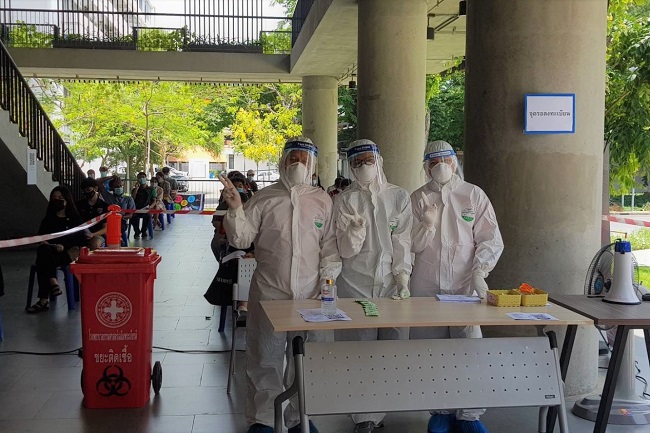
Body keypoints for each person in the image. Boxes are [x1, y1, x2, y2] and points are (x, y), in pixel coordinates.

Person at [220, 137, 341, 433]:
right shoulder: (265, 198)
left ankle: (300, 418)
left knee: (305, 359)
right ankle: (263, 420)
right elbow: (241, 239)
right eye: (293, 158)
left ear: (313, 165)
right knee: (265, 357)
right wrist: (235, 209)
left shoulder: (322, 200)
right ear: (283, 161)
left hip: (311, 293)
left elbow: (329, 246)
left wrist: (327, 280)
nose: (298, 164)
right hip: (270, 291)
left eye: (304, 159)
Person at [410, 140, 504, 433]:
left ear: (454, 163)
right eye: (433, 161)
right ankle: (440, 410)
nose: (440, 166)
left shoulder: (473, 194)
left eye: (445, 160)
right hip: (427, 285)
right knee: (431, 350)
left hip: (464, 285)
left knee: (469, 349)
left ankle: (469, 415)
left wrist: (480, 271)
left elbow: (490, 238)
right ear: (426, 167)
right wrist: (426, 226)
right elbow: (410, 244)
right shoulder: (418, 198)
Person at [332, 139, 412, 433]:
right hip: (356, 282)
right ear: (351, 167)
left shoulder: (399, 196)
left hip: (391, 283)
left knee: (392, 348)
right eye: (357, 162)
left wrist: (402, 277)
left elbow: (403, 241)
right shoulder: (344, 201)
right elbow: (344, 250)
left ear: (379, 160)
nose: (364, 166)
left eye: (368, 160)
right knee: (359, 350)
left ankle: (382, 408)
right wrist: (354, 232)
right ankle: (362, 415)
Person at [27, 186, 85, 314]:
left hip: (68, 253)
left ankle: (44, 299)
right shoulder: (49, 219)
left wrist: (65, 246)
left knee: (43, 261)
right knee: (44, 251)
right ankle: (53, 282)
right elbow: (41, 236)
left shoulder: (75, 219)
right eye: (54, 198)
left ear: (67, 200)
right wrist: (47, 243)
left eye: (60, 198)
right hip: (50, 251)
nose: (57, 200)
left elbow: (81, 239)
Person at [100, 177, 136, 246]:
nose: (119, 188)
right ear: (112, 188)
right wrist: (111, 177)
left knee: (120, 226)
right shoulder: (108, 197)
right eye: (116, 186)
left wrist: (120, 217)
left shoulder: (128, 199)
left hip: (122, 222)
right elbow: (98, 182)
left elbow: (130, 215)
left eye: (120, 186)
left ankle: (121, 240)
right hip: (109, 222)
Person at [75, 178, 108, 250]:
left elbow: (106, 228)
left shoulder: (104, 206)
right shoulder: (79, 205)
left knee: (95, 243)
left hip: (98, 235)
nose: (86, 193)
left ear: (95, 188)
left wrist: (93, 234)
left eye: (88, 190)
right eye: (84, 191)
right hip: (81, 234)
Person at [131, 172, 152, 239]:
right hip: (136, 208)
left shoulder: (150, 189)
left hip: (146, 208)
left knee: (148, 216)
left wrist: (150, 207)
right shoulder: (135, 189)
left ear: (146, 178)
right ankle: (137, 232)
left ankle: (144, 231)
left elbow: (154, 200)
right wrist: (136, 189)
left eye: (143, 177)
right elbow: (132, 198)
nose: (141, 179)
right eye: (139, 178)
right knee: (132, 216)